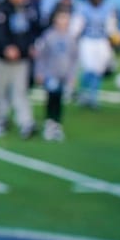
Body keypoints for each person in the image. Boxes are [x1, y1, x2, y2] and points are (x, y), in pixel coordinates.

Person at [0, 0, 44, 139]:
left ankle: (26, 123)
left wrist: (31, 46)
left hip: (22, 59)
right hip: (3, 60)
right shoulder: (2, 9)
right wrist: (6, 47)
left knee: (21, 92)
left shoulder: (27, 9)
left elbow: (33, 30)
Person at [73, 0, 119, 109]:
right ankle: (83, 93)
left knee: (98, 70)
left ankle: (93, 96)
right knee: (88, 68)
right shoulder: (83, 7)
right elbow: (77, 27)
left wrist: (114, 38)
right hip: (87, 40)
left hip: (101, 41)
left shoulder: (108, 7)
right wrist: (73, 38)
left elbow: (111, 27)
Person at [32, 7, 78, 143]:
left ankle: (57, 124)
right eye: (61, 18)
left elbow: (74, 59)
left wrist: (72, 75)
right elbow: (41, 56)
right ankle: (49, 123)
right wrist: (39, 72)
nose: (64, 21)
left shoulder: (71, 37)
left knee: (59, 100)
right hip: (50, 73)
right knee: (51, 98)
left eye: (66, 18)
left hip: (64, 74)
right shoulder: (49, 36)